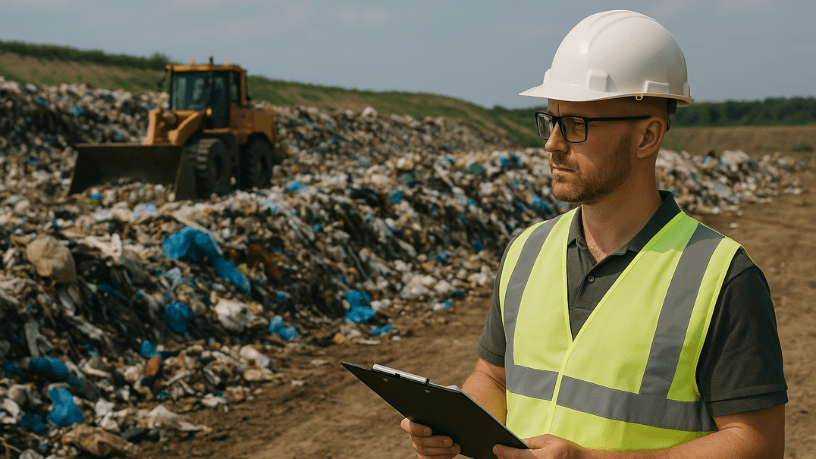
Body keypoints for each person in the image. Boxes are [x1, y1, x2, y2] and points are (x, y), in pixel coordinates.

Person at [400, 9, 787, 459]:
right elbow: (493, 378)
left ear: (647, 136)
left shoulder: (722, 277)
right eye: (551, 121)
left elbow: (758, 444)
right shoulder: (526, 252)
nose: (552, 144)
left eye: (576, 125)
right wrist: (459, 424)